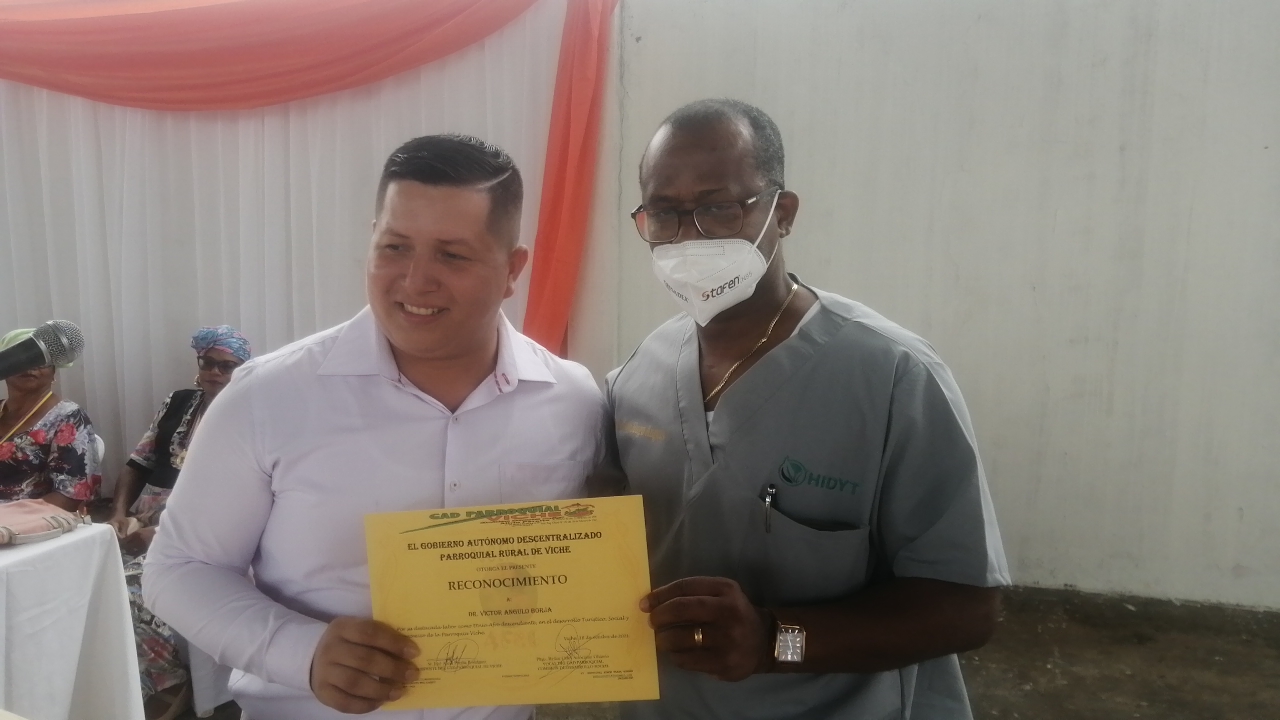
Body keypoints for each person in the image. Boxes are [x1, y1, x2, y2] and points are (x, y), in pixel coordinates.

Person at [144, 134, 605, 720]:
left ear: (512, 269)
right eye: (395, 247)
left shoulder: (572, 400)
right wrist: (302, 651)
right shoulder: (269, 396)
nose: (415, 280)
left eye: (452, 255)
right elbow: (180, 568)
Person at [596, 99, 1011, 719]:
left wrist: (775, 640)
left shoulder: (892, 377)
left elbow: (967, 608)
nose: (689, 236)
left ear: (782, 213)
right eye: (664, 212)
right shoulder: (636, 377)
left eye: (718, 207)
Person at [108, 325, 251, 720]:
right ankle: (108, 680)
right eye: (209, 363)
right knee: (89, 575)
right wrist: (118, 512)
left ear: (243, 370)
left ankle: (166, 685)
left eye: (227, 366)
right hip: (143, 519)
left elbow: (239, 496)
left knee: (131, 591)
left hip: (203, 530)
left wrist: (162, 533)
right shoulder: (178, 401)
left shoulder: (250, 410)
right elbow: (138, 462)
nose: (216, 372)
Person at [0, 328, 99, 510]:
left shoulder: (69, 417)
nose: (31, 366)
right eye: (21, 359)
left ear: (54, 372)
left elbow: (70, 497)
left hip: (31, 519)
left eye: (41, 360)